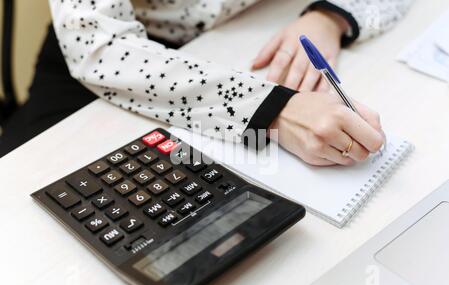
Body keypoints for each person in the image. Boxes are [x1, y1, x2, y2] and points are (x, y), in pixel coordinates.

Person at [0, 0, 413, 165]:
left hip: (253, 32)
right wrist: (274, 110)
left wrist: (330, 16)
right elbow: (98, 46)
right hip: (115, 59)